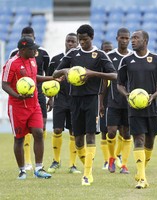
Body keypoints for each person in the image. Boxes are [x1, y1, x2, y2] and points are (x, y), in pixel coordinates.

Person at [52, 24, 117, 186]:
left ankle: (87, 174)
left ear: (92, 38)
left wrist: (92, 74)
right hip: (74, 99)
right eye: (80, 39)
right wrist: (66, 71)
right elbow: (55, 73)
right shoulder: (73, 54)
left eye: (85, 39)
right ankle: (87, 166)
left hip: (91, 99)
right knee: (78, 140)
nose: (81, 42)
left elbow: (114, 75)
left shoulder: (100, 55)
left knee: (90, 135)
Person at [117, 30, 157, 189]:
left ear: (145, 40)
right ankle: (142, 178)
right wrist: (127, 96)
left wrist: (153, 96)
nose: (132, 41)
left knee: (150, 141)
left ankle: (141, 171)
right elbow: (120, 84)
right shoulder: (126, 61)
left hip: (152, 106)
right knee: (138, 139)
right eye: (132, 38)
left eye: (136, 38)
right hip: (134, 108)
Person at [2, 37, 52, 179]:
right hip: (17, 107)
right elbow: (4, 84)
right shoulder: (11, 63)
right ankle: (22, 170)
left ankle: (39, 168)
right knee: (19, 139)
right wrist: (17, 96)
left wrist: (51, 78)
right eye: (32, 49)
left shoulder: (32, 59)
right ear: (23, 50)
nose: (35, 51)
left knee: (38, 132)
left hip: (34, 104)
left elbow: (33, 78)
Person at [46, 33, 81, 174]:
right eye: (68, 41)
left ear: (77, 43)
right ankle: (56, 161)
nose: (70, 44)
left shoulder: (81, 60)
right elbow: (50, 79)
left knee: (74, 132)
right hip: (60, 100)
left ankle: (72, 165)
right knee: (57, 130)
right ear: (65, 42)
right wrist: (50, 98)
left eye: (73, 41)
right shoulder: (55, 60)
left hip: (75, 100)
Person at [101, 28, 132, 174]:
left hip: (130, 101)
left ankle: (124, 164)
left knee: (126, 133)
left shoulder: (134, 56)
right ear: (117, 38)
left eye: (127, 38)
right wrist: (101, 102)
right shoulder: (110, 56)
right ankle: (112, 157)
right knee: (111, 132)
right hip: (113, 101)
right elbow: (104, 81)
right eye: (122, 38)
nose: (124, 41)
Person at [98, 40, 114, 170]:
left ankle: (116, 156)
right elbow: (101, 86)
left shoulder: (115, 64)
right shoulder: (100, 65)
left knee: (118, 131)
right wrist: (100, 103)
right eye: (105, 50)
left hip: (116, 102)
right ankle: (105, 160)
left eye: (110, 50)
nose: (108, 53)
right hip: (105, 102)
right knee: (104, 131)